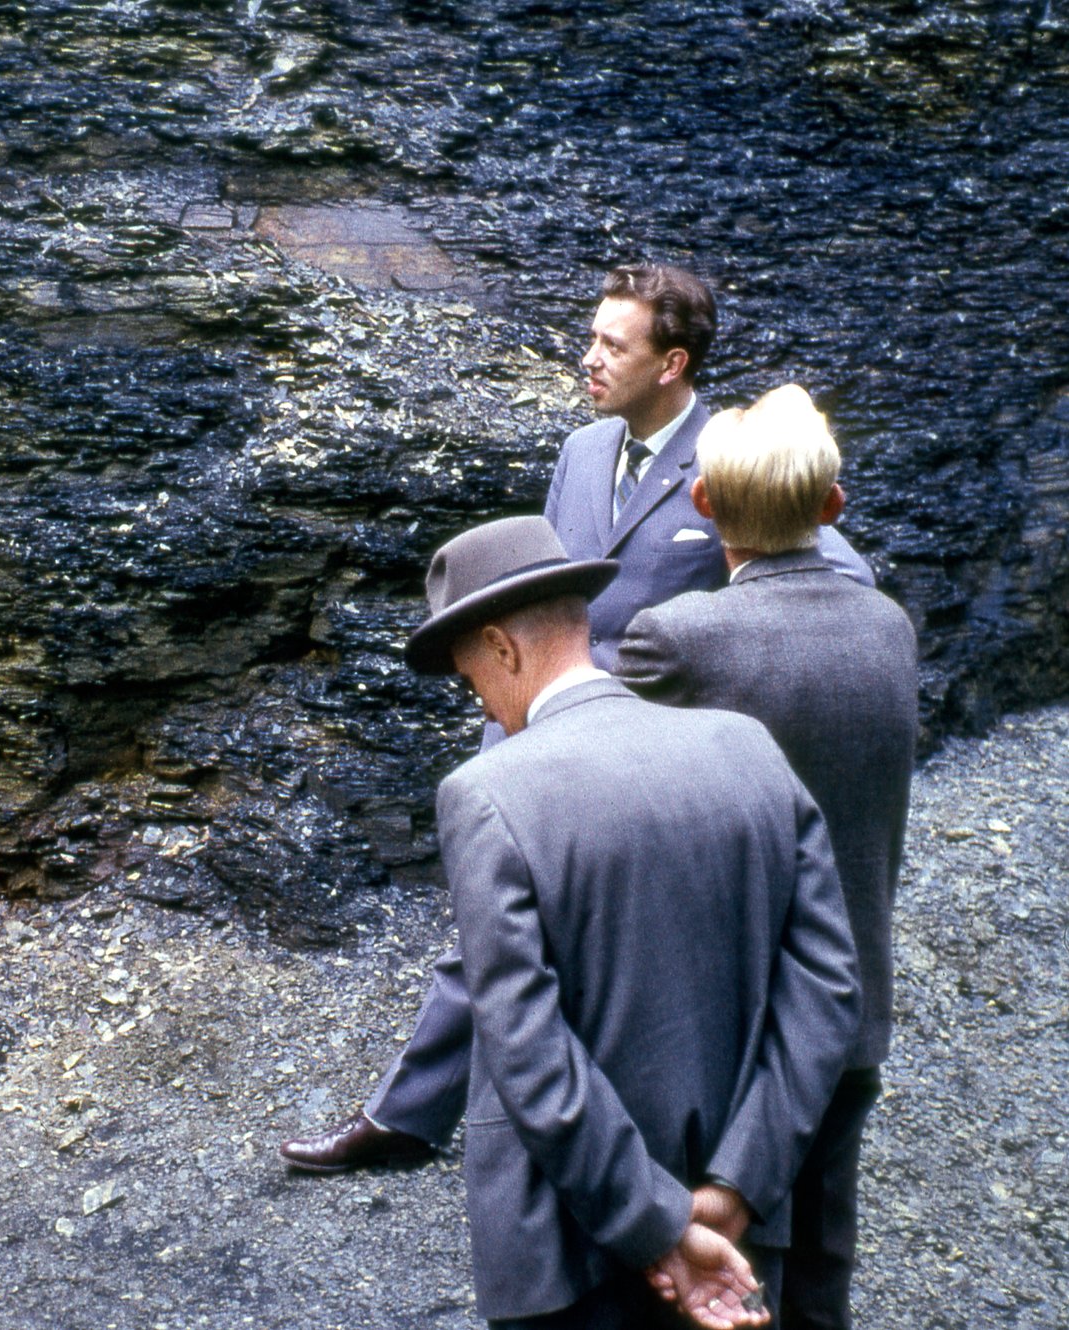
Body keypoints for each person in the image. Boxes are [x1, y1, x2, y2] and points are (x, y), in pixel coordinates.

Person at [281, 263, 871, 1172]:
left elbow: (828, 574)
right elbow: (545, 596)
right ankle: (412, 1118)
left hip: (655, 762)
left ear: (672, 362)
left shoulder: (735, 457)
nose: (586, 358)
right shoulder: (583, 451)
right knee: (495, 927)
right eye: (590, 337)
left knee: (575, 946)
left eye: (611, 344)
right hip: (541, 735)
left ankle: (528, 1128)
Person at [405, 515, 860, 1328]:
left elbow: (527, 1046)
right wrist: (733, 1191)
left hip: (568, 1250)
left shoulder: (486, 791)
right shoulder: (746, 745)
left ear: (501, 648)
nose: (479, 699)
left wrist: (656, 1223)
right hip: (744, 1236)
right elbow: (826, 991)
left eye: (469, 674)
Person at [618, 385, 918, 1330]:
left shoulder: (679, 639)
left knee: (718, 1272)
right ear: (832, 511)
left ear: (701, 506)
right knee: (822, 1259)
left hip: (725, 1018)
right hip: (853, 1000)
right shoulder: (890, 627)